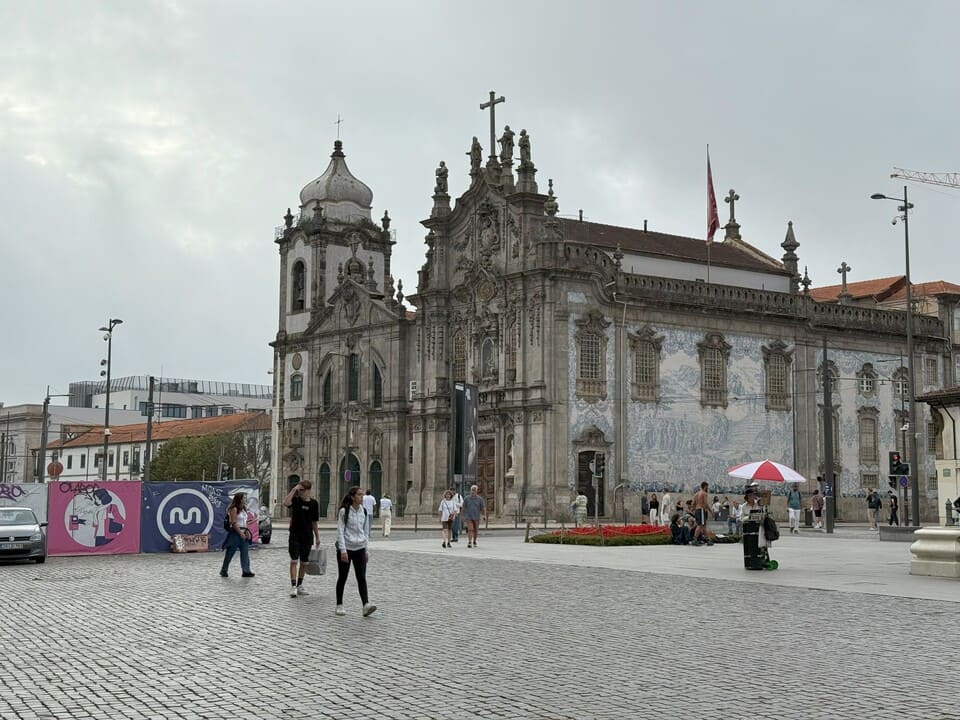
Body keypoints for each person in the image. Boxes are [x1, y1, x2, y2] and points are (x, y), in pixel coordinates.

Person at [335, 486, 376, 617]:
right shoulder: (344, 511)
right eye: (359, 495)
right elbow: (340, 532)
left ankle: (366, 604)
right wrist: (342, 550)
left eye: (362, 495)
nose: (361, 497)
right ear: (352, 497)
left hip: (360, 548)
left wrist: (366, 550)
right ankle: (339, 604)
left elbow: (366, 532)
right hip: (346, 548)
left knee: (361, 577)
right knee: (343, 577)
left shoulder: (363, 511)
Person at [283, 479, 320, 597]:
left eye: (302, 490)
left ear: (308, 490)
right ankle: (293, 586)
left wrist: (317, 536)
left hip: (307, 536)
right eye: (300, 490)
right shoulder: (296, 500)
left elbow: (314, 522)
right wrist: (294, 489)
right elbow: (286, 503)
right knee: (294, 560)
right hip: (295, 534)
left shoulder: (314, 503)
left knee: (304, 562)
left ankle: (300, 585)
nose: (301, 492)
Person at [220, 492, 255, 578]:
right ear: (239, 499)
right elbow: (234, 522)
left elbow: (244, 522)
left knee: (245, 552)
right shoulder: (234, 509)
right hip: (235, 533)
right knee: (230, 552)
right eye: (243, 498)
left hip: (244, 531)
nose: (245, 500)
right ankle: (224, 570)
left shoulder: (243, 509)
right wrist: (240, 533)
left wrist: (247, 532)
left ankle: (246, 570)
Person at [691, 482, 713, 546]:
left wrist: (693, 510)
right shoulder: (704, 493)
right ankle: (694, 540)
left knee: (703, 526)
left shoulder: (696, 494)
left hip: (697, 510)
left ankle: (708, 540)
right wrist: (711, 511)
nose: (707, 488)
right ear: (705, 486)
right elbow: (706, 503)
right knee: (700, 525)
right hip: (701, 510)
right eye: (707, 487)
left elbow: (693, 504)